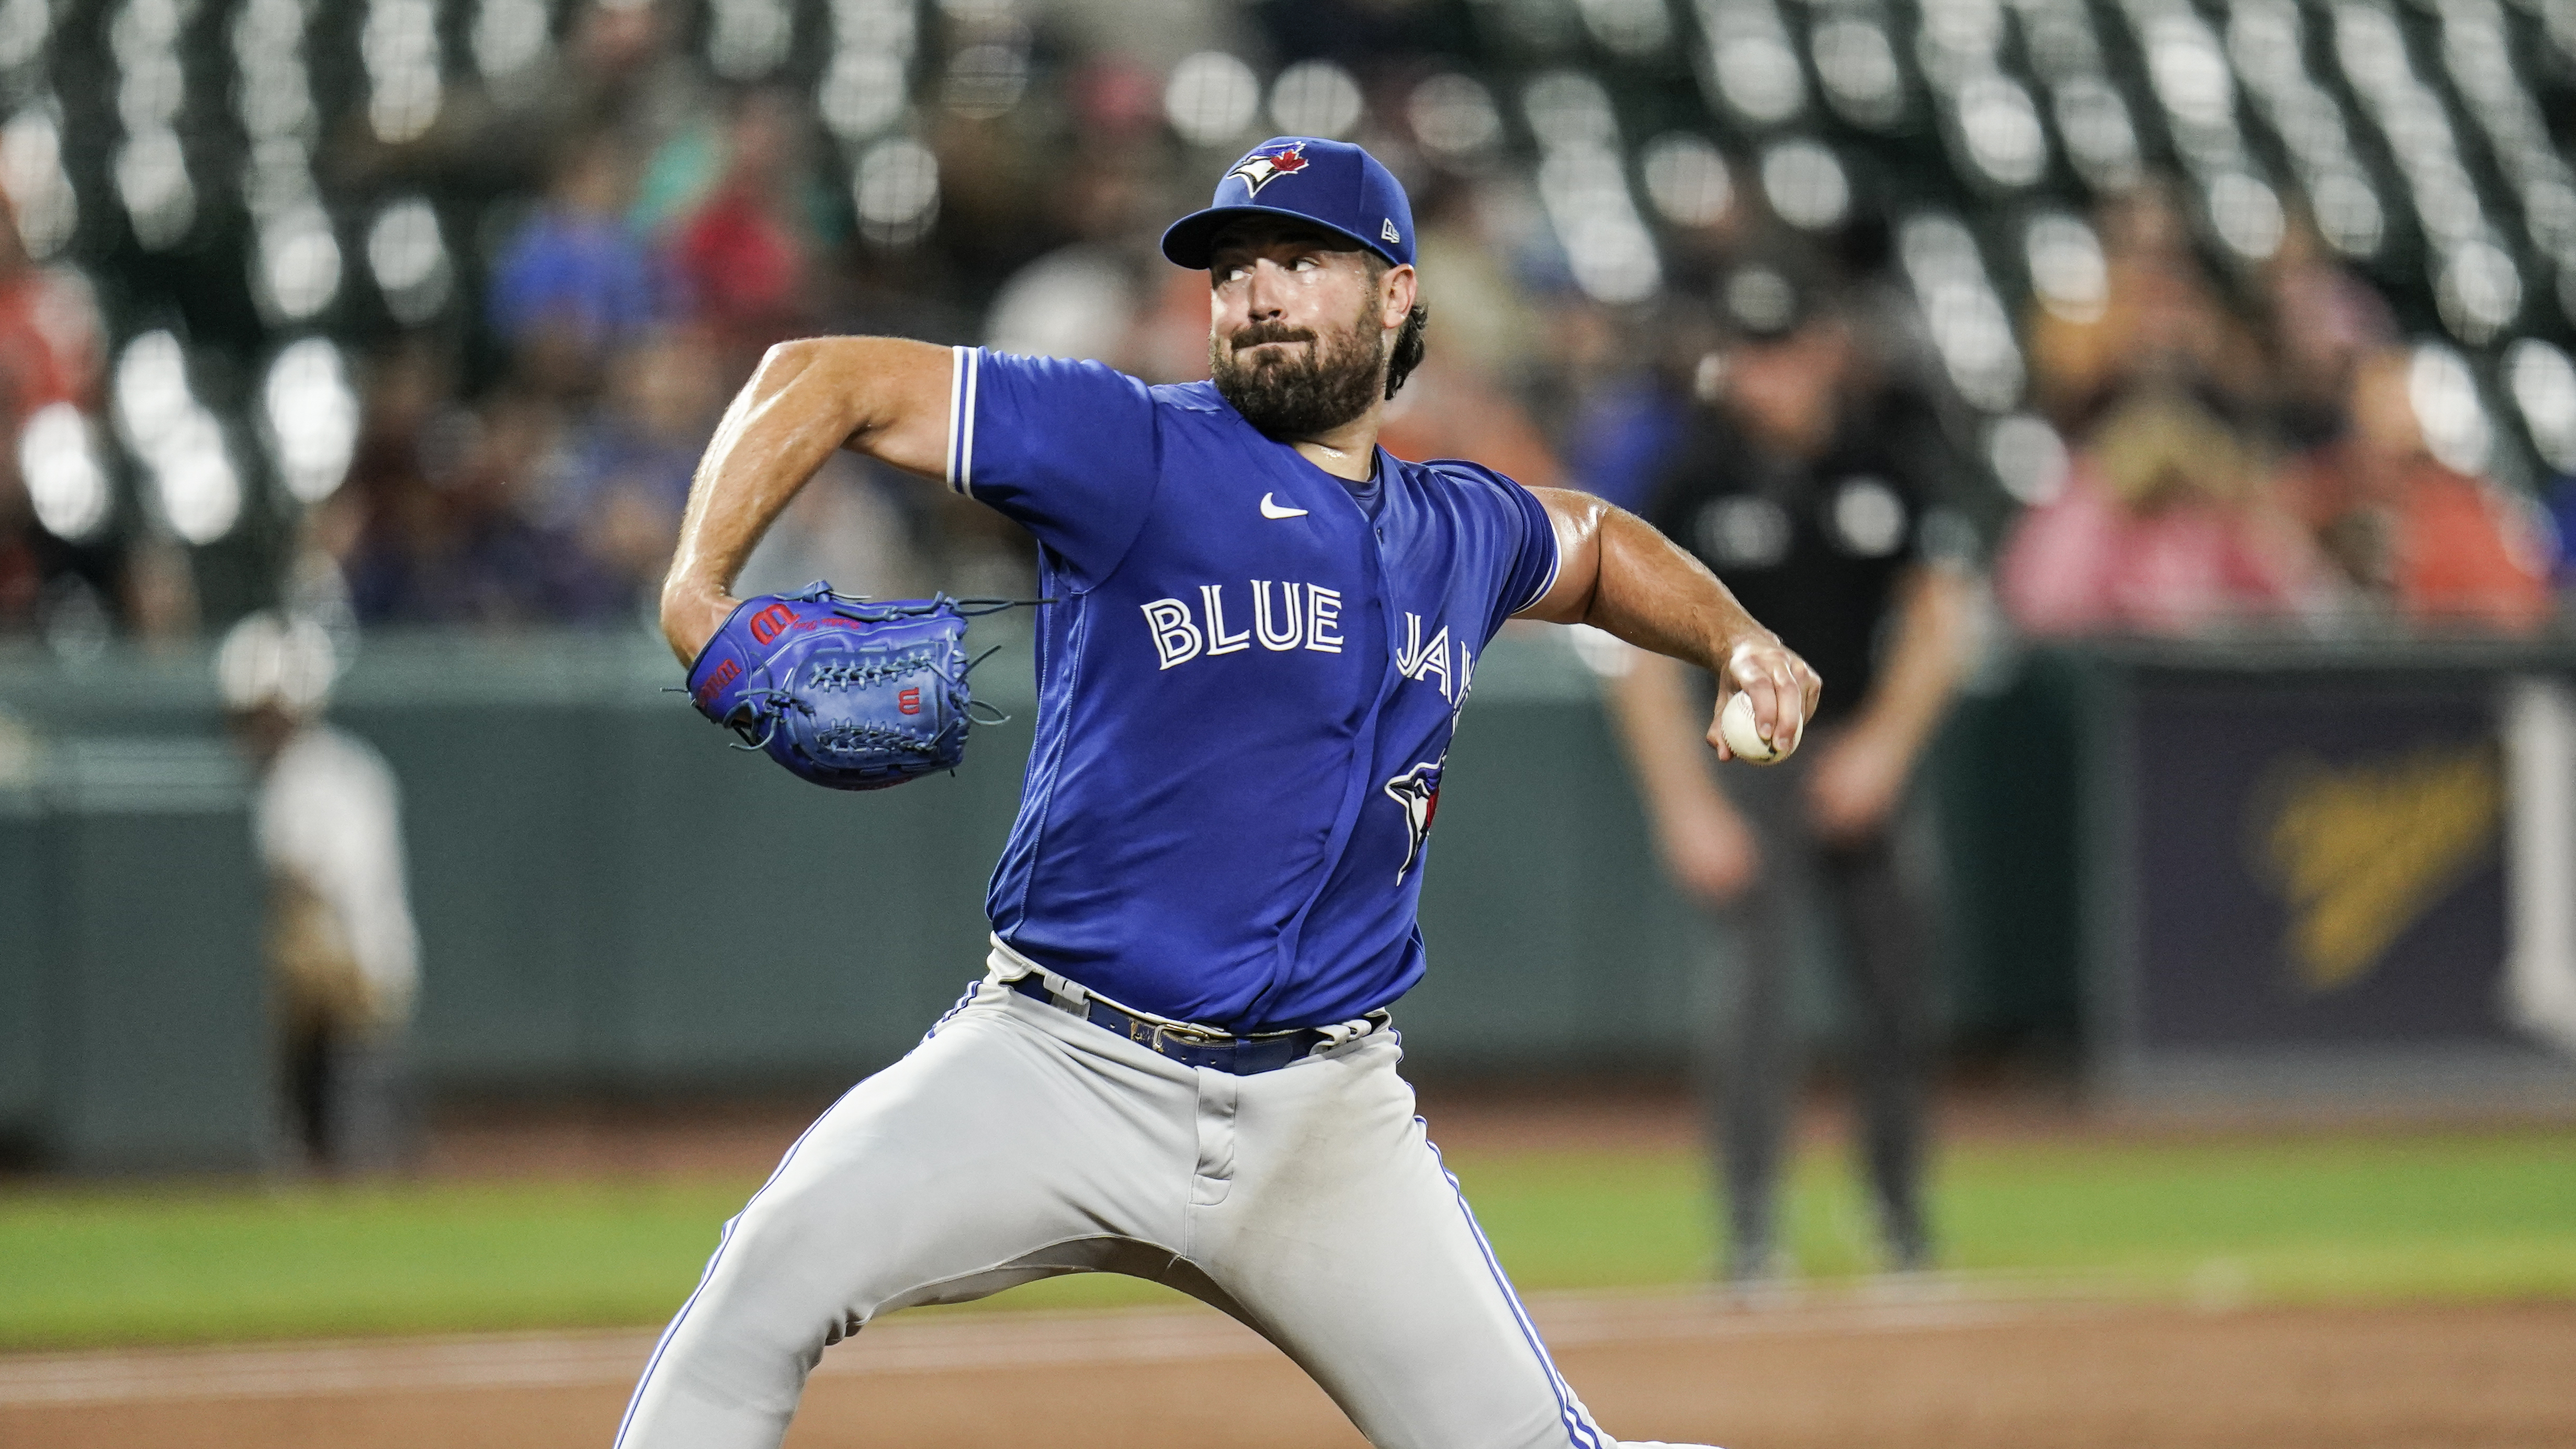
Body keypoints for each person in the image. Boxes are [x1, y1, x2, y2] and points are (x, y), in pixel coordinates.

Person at [627, 138, 1820, 1449]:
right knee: (761, 1288)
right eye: (1231, 269)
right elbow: (822, 374)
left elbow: (1589, 545)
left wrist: (1733, 635)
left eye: (1302, 261)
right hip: (1058, 1061)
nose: (1255, 292)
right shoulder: (1131, 447)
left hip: (1325, 1116)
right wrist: (698, 595)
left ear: (1397, 294)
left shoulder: (1457, 527)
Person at [1606, 262, 1971, 1284]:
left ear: (1819, 352)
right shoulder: (1694, 472)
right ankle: (1749, 1233)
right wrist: (1685, 806)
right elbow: (1632, 658)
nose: (1763, 374)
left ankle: (1899, 1223)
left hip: (1857, 746)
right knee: (1751, 1006)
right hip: (1744, 764)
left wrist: (1885, 748)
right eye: (1748, 352)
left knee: (1897, 993)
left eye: (1780, 351)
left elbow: (1941, 618)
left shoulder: (1882, 458)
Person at [217, 612, 423, 1171]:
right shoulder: (244, 776)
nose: (262, 724)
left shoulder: (341, 775)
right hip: (292, 992)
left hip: (358, 969)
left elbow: (319, 897)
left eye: (272, 711)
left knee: (299, 943)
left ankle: (339, 1144)